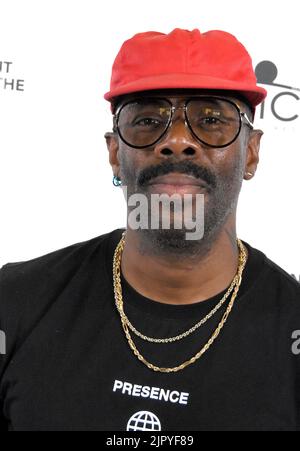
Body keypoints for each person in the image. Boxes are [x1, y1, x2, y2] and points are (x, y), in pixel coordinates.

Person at [0, 28, 299, 432]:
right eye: (148, 119)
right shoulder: (14, 301)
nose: (177, 141)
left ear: (251, 152)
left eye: (211, 120)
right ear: (114, 155)